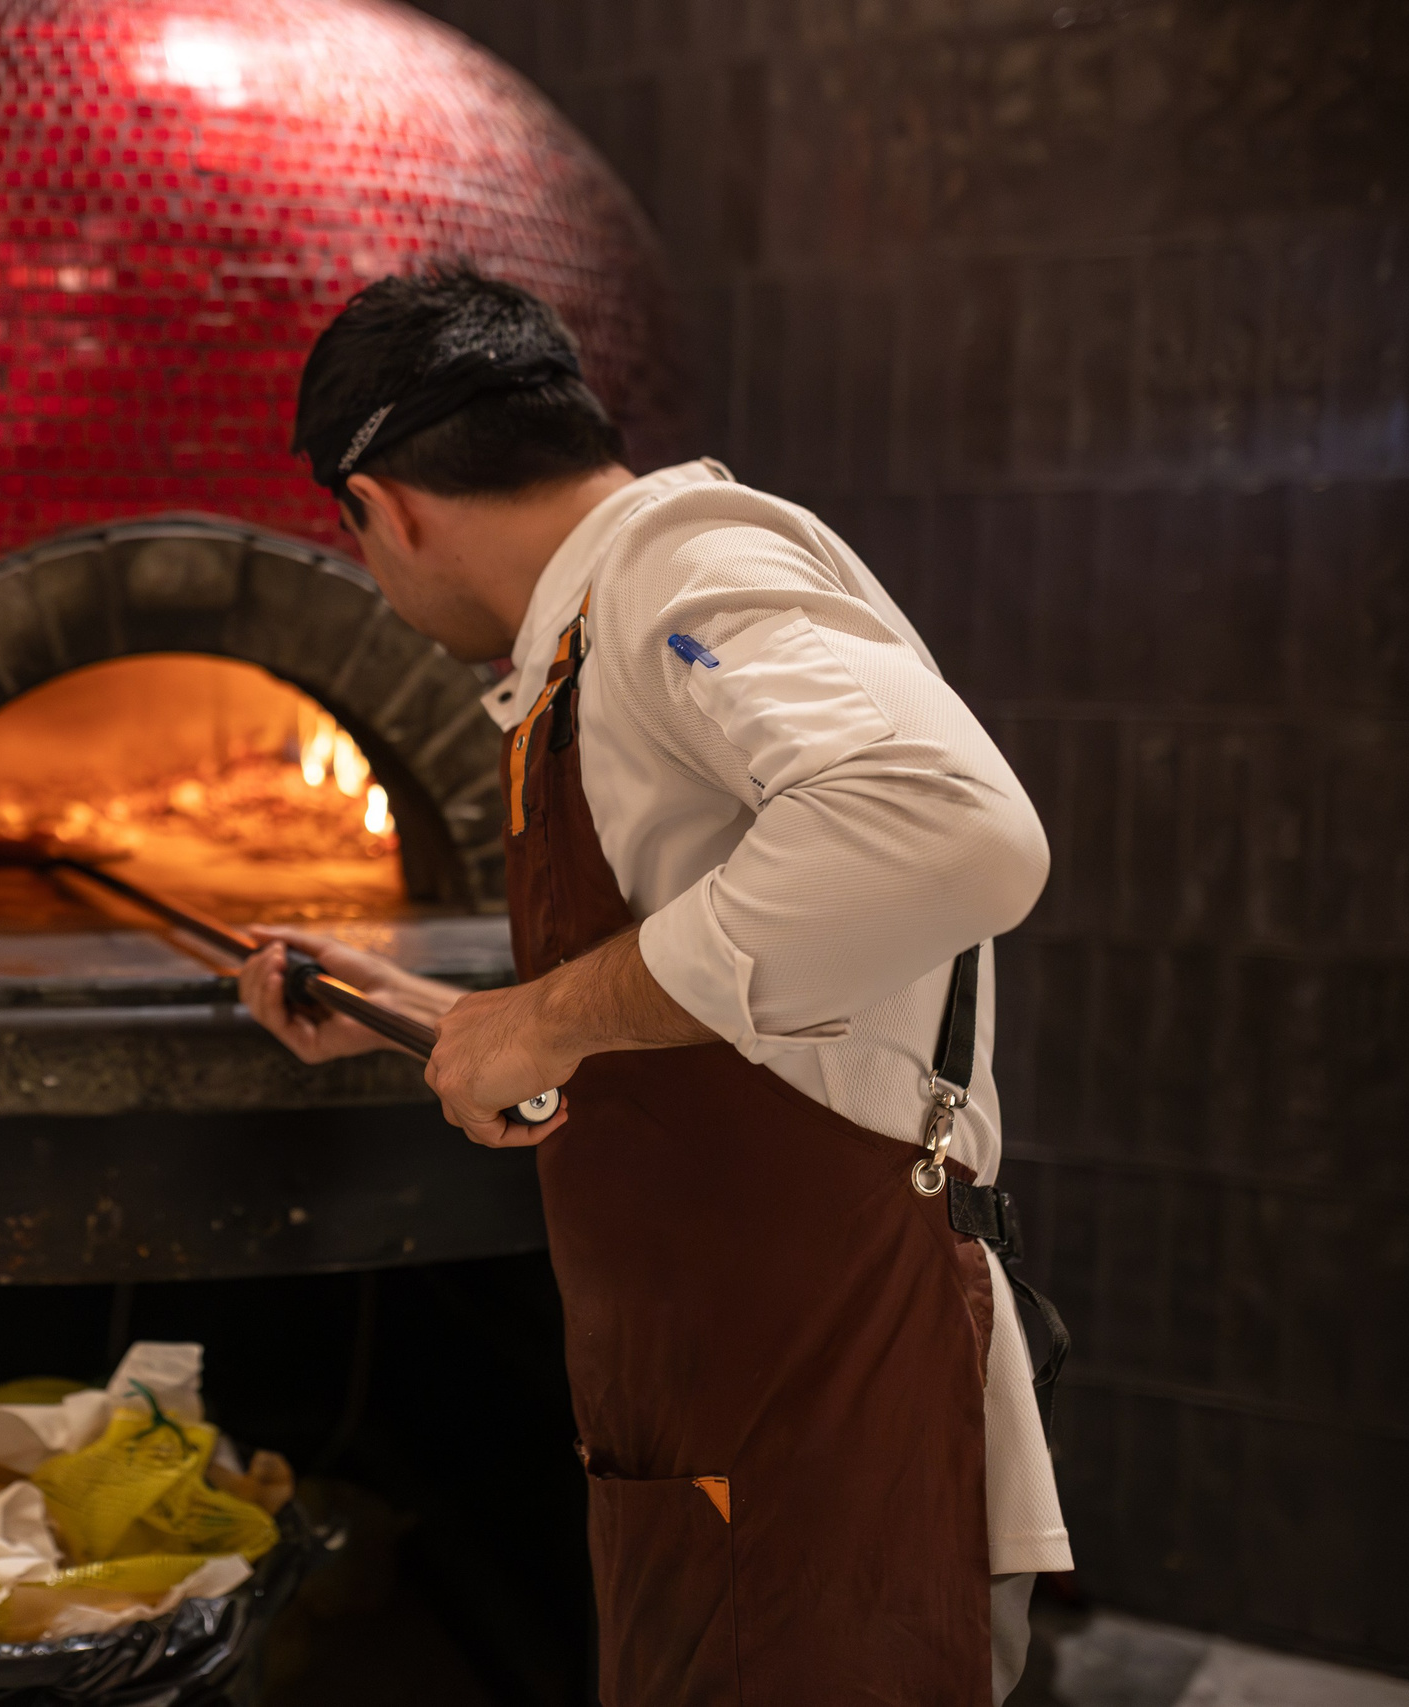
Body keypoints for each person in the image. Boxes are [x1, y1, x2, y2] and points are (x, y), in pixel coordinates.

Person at [237, 267, 1071, 1704]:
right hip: (713, 1434)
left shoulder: (678, 567)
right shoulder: (584, 640)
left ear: (384, 508)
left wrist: (545, 1016)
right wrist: (430, 1018)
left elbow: (952, 828)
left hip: (835, 1416)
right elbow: (743, 1026)